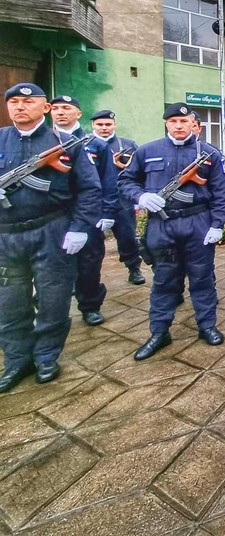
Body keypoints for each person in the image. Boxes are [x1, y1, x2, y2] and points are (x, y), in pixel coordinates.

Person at [0, 83, 101, 392]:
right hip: (6, 235)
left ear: (45, 108)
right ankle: (17, 359)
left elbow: (89, 189)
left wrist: (79, 228)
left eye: (28, 101)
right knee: (9, 301)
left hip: (51, 229)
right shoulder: (0, 139)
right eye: (14, 101)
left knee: (53, 297)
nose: (20, 106)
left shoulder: (66, 142)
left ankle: (46, 356)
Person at [118, 103, 225, 360]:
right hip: (162, 224)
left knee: (202, 278)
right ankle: (159, 331)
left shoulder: (210, 153)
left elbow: (221, 193)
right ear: (166, 124)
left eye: (184, 121)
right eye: (173, 121)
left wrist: (217, 224)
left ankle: (207, 325)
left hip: (197, 222)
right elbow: (126, 181)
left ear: (193, 123)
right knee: (164, 280)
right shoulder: (148, 151)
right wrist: (142, 196)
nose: (179, 126)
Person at [51, 98, 121, 326]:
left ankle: (90, 305)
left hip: (88, 213)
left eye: (66, 108)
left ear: (78, 114)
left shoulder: (95, 144)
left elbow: (109, 182)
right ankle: (49, 310)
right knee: (51, 265)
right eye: (56, 109)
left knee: (89, 264)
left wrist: (107, 212)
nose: (60, 113)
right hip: (52, 216)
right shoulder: (42, 143)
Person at [91, 110, 145, 285]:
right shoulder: (85, 145)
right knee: (91, 243)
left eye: (108, 124)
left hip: (122, 201)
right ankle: (88, 279)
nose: (104, 128)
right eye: (100, 124)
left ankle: (134, 268)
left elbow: (139, 171)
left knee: (128, 238)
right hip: (94, 202)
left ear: (114, 125)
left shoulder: (127, 145)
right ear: (93, 125)